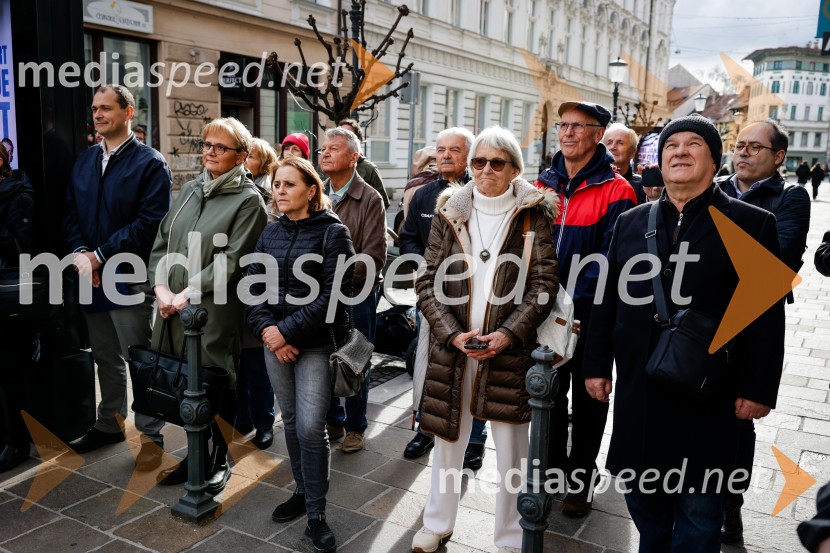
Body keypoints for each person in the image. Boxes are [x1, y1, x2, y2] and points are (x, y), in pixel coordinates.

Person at [584, 114, 785, 552]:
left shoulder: (752, 224)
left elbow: (767, 317)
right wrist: (595, 365)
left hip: (709, 389)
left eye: (694, 144)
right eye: (671, 146)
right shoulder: (631, 222)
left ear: (714, 161)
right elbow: (606, 300)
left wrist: (758, 389)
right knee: (643, 500)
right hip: (640, 385)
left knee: (699, 511)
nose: (679, 152)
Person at [412, 126, 557, 553]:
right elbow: (426, 283)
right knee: (448, 439)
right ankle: (437, 523)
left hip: (508, 349)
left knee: (511, 446)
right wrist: (451, 334)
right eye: (478, 161)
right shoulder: (450, 211)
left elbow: (544, 285)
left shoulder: (533, 214)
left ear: (514, 169)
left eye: (496, 162)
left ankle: (510, 535)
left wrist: (508, 334)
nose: (485, 170)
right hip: (454, 347)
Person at [150, 117, 267, 493]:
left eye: (221, 147)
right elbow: (162, 240)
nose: (210, 152)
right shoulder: (190, 189)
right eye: (207, 144)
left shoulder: (249, 200)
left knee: (215, 381)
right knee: (184, 382)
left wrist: (186, 294)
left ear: (242, 156)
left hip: (213, 310)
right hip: (172, 306)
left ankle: (218, 459)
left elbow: (233, 259)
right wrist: (160, 288)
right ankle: (195, 455)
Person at [246, 156, 354, 553]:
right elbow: (252, 286)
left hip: (315, 345)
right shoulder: (270, 231)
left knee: (310, 427)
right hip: (274, 343)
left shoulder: (333, 233)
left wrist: (284, 332)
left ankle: (317, 515)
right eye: (277, 184)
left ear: (311, 191)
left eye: (289, 184)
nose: (280, 191)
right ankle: (303, 491)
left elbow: (333, 297)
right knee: (290, 422)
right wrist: (268, 331)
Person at [534, 101, 636, 517]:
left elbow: (612, 259)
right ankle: (554, 470)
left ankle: (581, 479)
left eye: (579, 126)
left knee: (591, 396)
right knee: (550, 393)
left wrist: (568, 298)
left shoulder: (618, 190)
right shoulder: (542, 184)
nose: (568, 133)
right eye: (564, 125)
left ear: (598, 135)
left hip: (591, 312)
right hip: (544, 309)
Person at [64, 85, 171, 469]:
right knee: (105, 357)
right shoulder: (84, 161)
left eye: (106, 108)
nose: (97, 114)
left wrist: (100, 256)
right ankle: (109, 423)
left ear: (128, 113)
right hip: (91, 276)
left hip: (128, 275)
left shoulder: (150, 163)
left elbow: (149, 223)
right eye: (95, 108)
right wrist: (83, 255)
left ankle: (151, 437)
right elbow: (71, 213)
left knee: (139, 358)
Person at [715, 120, 810, 544]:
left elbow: (779, 260)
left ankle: (729, 506)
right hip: (699, 320)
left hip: (751, 324)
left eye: (755, 147)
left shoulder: (790, 197)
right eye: (740, 145)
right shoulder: (713, 188)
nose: (743, 152)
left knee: (738, 419)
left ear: (779, 156)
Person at [398, 127, 491, 470]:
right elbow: (407, 238)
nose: (445, 155)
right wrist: (422, 266)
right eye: (440, 149)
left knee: (476, 368)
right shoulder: (424, 195)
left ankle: (475, 439)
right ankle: (426, 429)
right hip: (433, 295)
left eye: (454, 149)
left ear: (469, 155)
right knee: (431, 366)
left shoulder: (481, 193)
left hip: (476, 296)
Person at [320, 127, 387, 454]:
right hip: (318, 293)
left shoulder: (370, 198)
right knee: (323, 355)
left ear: (353, 157)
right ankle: (333, 419)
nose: (325, 153)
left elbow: (373, 255)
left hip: (355, 292)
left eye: (334, 148)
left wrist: (334, 282)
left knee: (355, 357)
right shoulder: (316, 192)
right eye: (323, 148)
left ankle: (355, 426)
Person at [235, 136, 280, 449]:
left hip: (258, 288)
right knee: (237, 362)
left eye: (249, 156)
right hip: (230, 290)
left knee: (257, 363)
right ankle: (243, 417)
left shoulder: (268, 193)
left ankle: (264, 421)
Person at [0, 142, 35, 472]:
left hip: (8, 297)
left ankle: (17, 442)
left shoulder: (18, 193)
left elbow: (21, 248)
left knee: (10, 372)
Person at [337, 118, 390, 209]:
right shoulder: (327, 167)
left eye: (348, 135)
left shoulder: (369, 169)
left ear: (357, 141)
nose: (342, 138)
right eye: (340, 134)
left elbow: (382, 203)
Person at [603, 123, 646, 204]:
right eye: (609, 143)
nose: (613, 147)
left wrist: (653, 197)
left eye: (620, 143)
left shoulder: (642, 187)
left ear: (633, 152)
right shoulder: (593, 182)